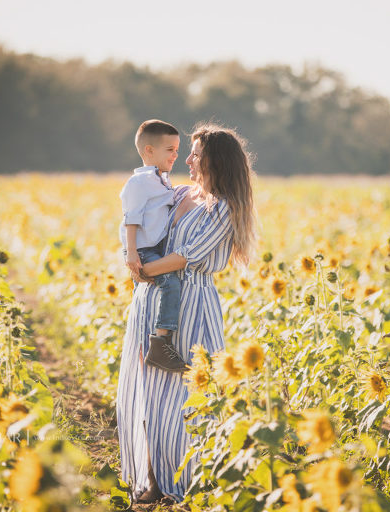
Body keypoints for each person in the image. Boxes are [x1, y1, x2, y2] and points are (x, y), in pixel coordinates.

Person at [116, 122, 257, 503]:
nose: (188, 160)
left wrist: (144, 270)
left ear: (215, 161)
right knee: (149, 393)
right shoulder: (176, 193)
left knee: (183, 398)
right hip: (150, 301)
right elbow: (137, 219)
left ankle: (182, 483)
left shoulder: (224, 208)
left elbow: (185, 258)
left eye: (195, 153)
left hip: (191, 306)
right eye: (189, 152)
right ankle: (149, 479)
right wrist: (131, 254)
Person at [119, 119, 188, 372]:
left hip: (154, 248)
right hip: (143, 249)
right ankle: (161, 344)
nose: (176, 155)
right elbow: (131, 218)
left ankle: (151, 342)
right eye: (169, 149)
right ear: (149, 150)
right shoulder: (138, 183)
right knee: (170, 282)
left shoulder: (162, 180)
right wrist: (132, 252)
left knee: (148, 295)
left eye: (177, 149)